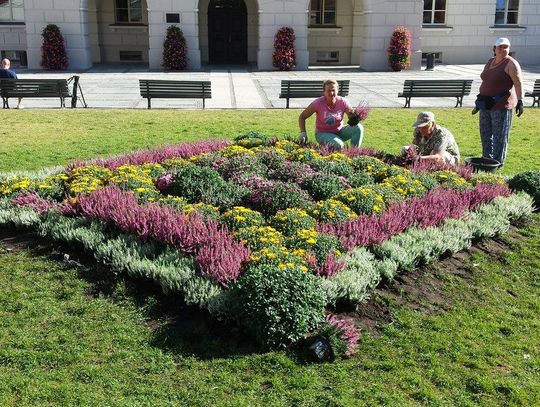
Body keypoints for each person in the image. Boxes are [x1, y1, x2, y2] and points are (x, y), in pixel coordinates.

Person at [475, 37, 524, 165]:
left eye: (506, 47)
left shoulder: (511, 64)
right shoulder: (490, 61)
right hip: (485, 103)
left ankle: (497, 162)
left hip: (501, 104)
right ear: (494, 49)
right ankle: (487, 159)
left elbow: (518, 84)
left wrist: (520, 101)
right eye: (500, 47)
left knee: (499, 136)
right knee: (485, 133)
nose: (503, 49)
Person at [298, 79, 363, 149]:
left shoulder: (343, 102)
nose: (331, 93)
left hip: (339, 131)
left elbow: (351, 115)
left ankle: (354, 153)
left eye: (333, 90)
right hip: (322, 133)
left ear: (337, 91)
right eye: (328, 91)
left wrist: (355, 117)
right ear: (324, 92)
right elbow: (302, 117)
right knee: (339, 145)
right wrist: (303, 133)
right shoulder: (318, 103)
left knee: (358, 127)